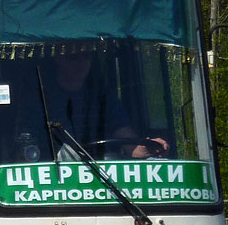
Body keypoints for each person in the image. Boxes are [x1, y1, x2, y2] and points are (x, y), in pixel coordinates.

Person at [40, 51, 168, 159]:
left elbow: (129, 143)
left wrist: (147, 147)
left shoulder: (104, 98)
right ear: (57, 58)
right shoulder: (40, 98)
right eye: (73, 57)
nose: (82, 63)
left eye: (87, 56)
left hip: (102, 176)